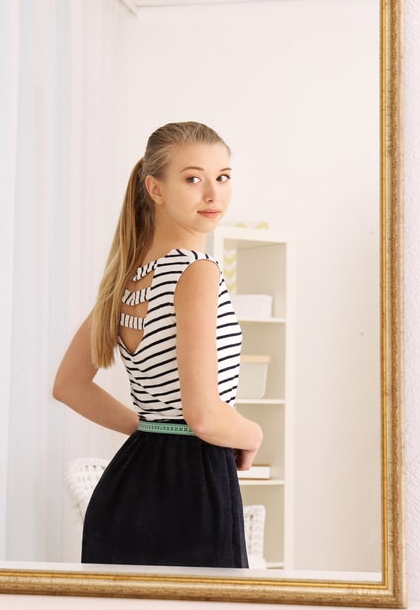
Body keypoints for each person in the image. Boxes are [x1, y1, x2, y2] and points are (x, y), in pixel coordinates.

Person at [53, 121, 263, 568]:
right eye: (193, 178)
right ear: (156, 188)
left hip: (127, 487)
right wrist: (252, 433)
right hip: (193, 490)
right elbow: (204, 415)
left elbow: (68, 385)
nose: (214, 194)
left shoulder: (126, 283)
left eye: (222, 177)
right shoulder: (198, 271)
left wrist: (151, 430)